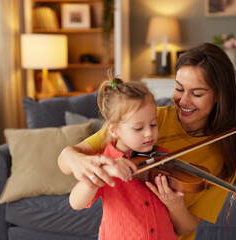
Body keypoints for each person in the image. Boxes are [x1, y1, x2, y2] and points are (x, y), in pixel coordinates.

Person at [58, 43, 236, 240]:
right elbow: (67, 161)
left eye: (197, 93)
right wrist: (84, 163)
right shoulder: (145, 117)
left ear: (219, 96)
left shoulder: (224, 155)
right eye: (179, 88)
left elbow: (186, 228)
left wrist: (174, 204)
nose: (184, 101)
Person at [68, 74, 179, 239]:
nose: (149, 133)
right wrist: (105, 171)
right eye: (138, 128)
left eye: (153, 124)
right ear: (114, 130)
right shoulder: (106, 162)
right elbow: (76, 202)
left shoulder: (162, 157)